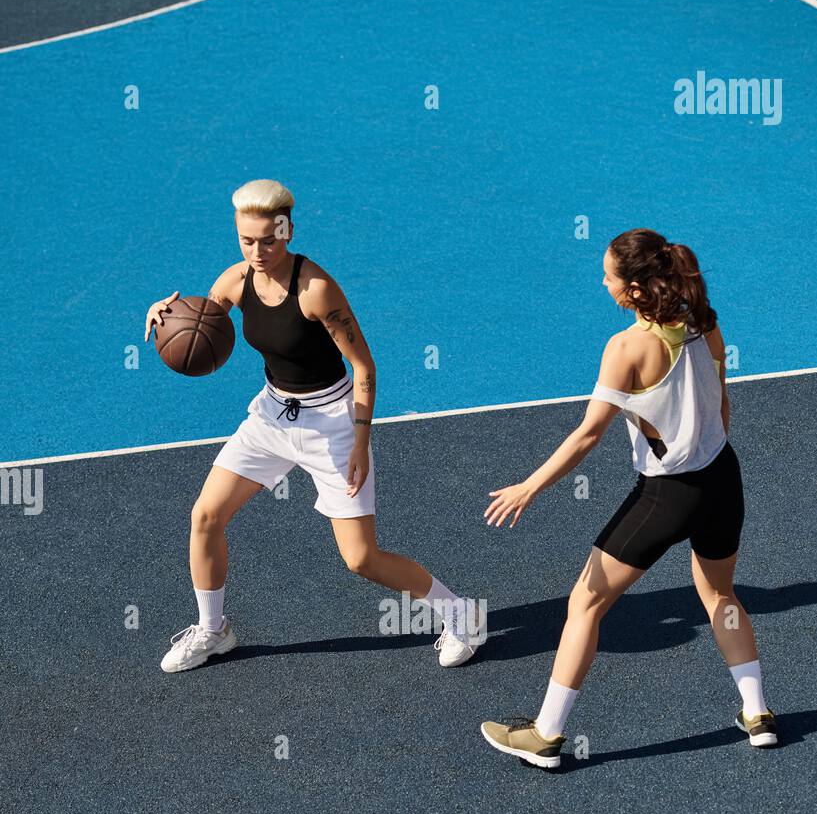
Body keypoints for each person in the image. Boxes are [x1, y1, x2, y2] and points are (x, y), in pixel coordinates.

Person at [144, 178, 480, 673]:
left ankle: (462, 614)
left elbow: (364, 367)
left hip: (334, 423)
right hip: (272, 416)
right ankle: (214, 631)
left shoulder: (317, 290)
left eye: (268, 240)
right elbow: (204, 321)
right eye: (246, 241)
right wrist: (164, 314)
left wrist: (362, 441)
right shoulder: (236, 279)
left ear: (288, 231)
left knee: (361, 559)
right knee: (205, 517)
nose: (257, 251)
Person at [481, 228, 777, 770]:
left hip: (667, 494)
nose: (603, 282)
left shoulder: (626, 348)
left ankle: (545, 735)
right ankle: (757, 713)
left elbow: (588, 434)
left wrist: (530, 486)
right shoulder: (703, 320)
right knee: (720, 595)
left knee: (584, 604)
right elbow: (723, 406)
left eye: (609, 276)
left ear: (635, 288)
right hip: (723, 480)